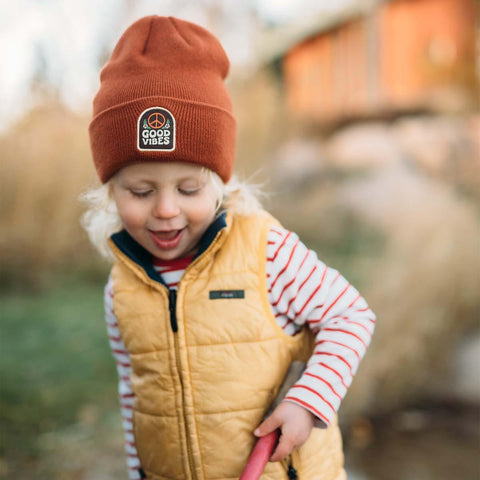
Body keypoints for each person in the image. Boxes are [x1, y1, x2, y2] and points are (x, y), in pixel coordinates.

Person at [82, 15, 376, 480]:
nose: (165, 209)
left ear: (220, 184)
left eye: (188, 189)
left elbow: (350, 316)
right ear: (110, 193)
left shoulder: (267, 252)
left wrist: (308, 401)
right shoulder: (121, 290)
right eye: (140, 191)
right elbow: (134, 396)